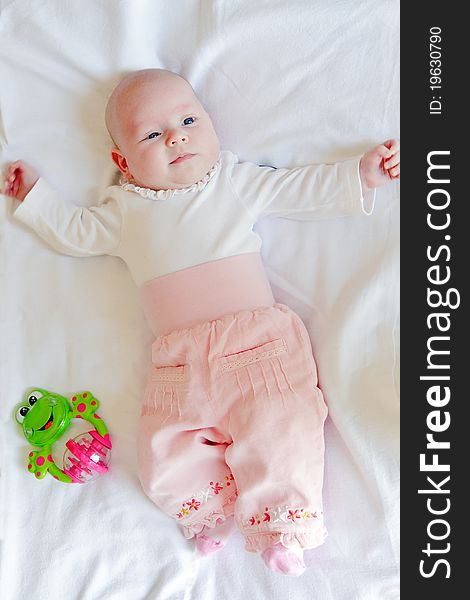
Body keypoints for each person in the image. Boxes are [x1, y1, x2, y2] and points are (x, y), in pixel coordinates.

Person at [1, 68, 400, 576]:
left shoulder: (233, 181)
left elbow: (299, 190)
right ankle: (207, 511)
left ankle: (281, 527)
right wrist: (34, 197)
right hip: (180, 366)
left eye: (188, 119)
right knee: (162, 449)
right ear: (123, 162)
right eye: (152, 134)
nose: (176, 136)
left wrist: (361, 174)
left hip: (257, 349)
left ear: (210, 125)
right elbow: (76, 232)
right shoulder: (123, 210)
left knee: (282, 429)